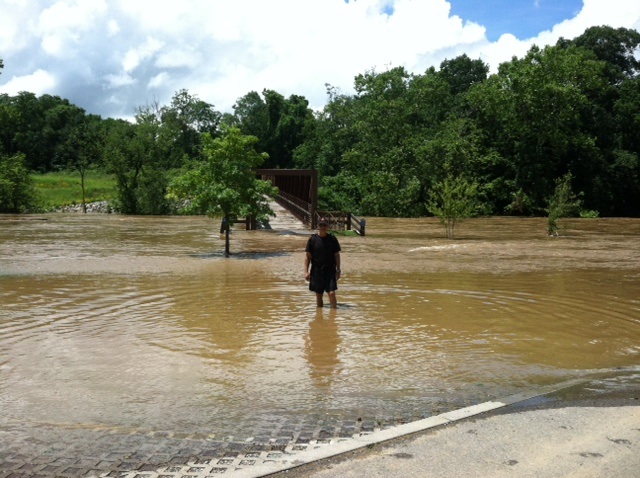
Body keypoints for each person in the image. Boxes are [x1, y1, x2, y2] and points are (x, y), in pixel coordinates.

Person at [305, 217, 341, 308]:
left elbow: (337, 255)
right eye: (321, 225)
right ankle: (319, 316)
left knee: (332, 293)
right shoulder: (312, 240)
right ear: (318, 226)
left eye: (324, 225)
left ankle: (333, 317)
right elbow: (308, 257)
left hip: (330, 270)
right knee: (319, 295)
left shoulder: (332, 239)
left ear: (327, 226)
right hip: (316, 270)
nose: (323, 227)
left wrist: (338, 269)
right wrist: (306, 271)